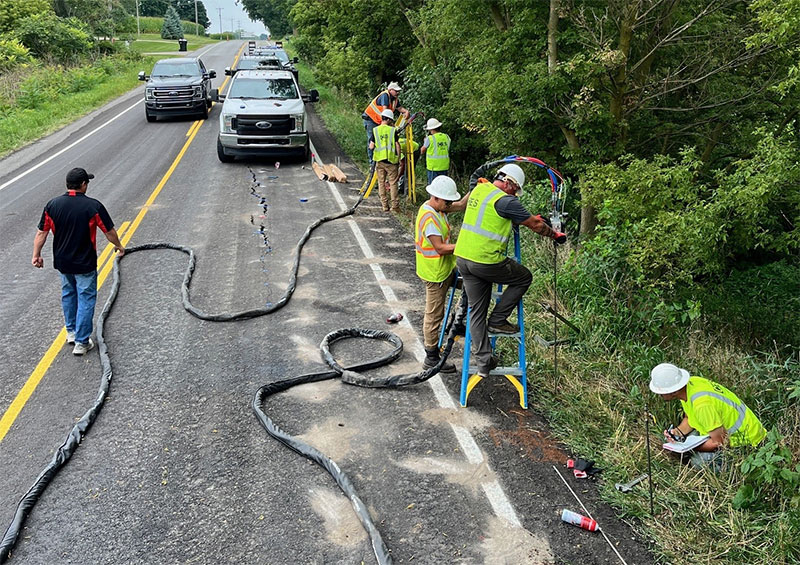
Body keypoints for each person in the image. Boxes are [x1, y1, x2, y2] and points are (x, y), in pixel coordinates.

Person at [454, 163, 566, 378]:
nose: (516, 194)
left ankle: (484, 363)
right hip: (486, 260)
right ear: (508, 183)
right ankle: (497, 320)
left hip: (463, 258)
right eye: (515, 189)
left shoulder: (480, 189)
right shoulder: (506, 200)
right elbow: (535, 225)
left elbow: (479, 185)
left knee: (476, 311)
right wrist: (555, 235)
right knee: (524, 277)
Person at [32, 168, 125, 355]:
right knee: (86, 297)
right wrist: (119, 246)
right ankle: (82, 342)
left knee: (68, 293)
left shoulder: (52, 205)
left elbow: (42, 232)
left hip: (63, 262)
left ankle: (72, 332)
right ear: (83, 185)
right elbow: (109, 231)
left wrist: (36, 254)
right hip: (84, 262)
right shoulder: (93, 206)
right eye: (87, 182)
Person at [649, 363, 767, 469]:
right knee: (688, 440)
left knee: (699, 461)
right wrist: (678, 433)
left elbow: (720, 443)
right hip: (723, 433)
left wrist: (688, 448)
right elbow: (690, 418)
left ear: (673, 391)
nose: (658, 394)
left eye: (661, 392)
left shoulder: (702, 405)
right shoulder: (690, 386)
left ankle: (734, 468)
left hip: (746, 443)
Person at [415, 175, 469, 373]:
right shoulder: (429, 217)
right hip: (434, 273)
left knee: (472, 284)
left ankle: (457, 320)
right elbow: (440, 248)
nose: (449, 204)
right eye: (446, 201)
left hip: (445, 269)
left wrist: (477, 188)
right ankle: (431, 356)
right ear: (436, 198)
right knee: (434, 314)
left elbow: (461, 205)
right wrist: (466, 246)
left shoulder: (438, 207)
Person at [362, 82, 408, 161]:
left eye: (398, 91)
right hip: (371, 119)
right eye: (396, 91)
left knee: (379, 139)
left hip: (379, 121)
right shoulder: (385, 96)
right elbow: (385, 111)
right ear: (390, 90)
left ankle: (380, 160)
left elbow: (400, 108)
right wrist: (391, 124)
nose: (398, 92)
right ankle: (372, 162)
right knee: (372, 140)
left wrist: (406, 112)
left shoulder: (394, 99)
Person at [370, 109, 402, 212]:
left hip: (380, 161)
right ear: (388, 119)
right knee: (393, 183)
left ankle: (384, 205)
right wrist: (399, 158)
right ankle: (395, 206)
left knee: (381, 182)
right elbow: (397, 145)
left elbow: (371, 146)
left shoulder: (375, 130)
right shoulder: (392, 131)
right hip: (392, 162)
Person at [420, 118, 451, 185]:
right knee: (443, 186)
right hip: (444, 167)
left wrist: (425, 142)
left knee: (433, 188)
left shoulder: (430, 139)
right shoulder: (446, 137)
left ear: (431, 129)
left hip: (433, 168)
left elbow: (422, 151)